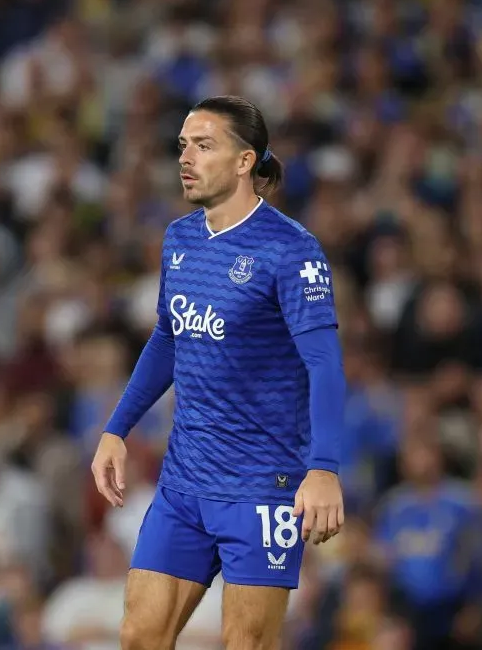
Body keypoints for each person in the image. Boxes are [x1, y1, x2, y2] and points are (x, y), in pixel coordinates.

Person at [90, 95, 347, 650]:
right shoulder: (179, 239)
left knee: (246, 645)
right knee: (138, 636)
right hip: (185, 481)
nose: (186, 157)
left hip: (263, 485)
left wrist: (323, 469)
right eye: (183, 145)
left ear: (243, 161)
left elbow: (324, 363)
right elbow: (167, 338)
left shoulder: (291, 251)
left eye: (204, 145)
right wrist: (116, 428)